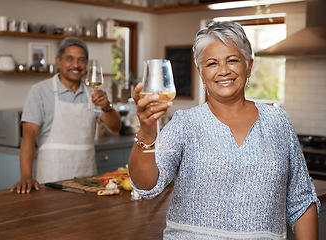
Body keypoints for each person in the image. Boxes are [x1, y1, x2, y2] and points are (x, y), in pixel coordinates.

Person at [128, 21, 320, 239]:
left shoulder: (278, 122)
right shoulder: (185, 123)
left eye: (232, 60)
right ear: (201, 72)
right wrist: (146, 131)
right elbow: (146, 185)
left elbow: (302, 200)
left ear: (249, 66)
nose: (223, 71)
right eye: (212, 63)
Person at [10, 37, 122, 194]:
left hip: (87, 179)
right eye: (70, 59)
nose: (76, 65)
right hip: (52, 178)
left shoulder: (93, 93)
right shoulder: (40, 91)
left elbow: (116, 127)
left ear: (86, 64)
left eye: (81, 60)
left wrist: (107, 107)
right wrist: (26, 176)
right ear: (58, 61)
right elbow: (28, 136)